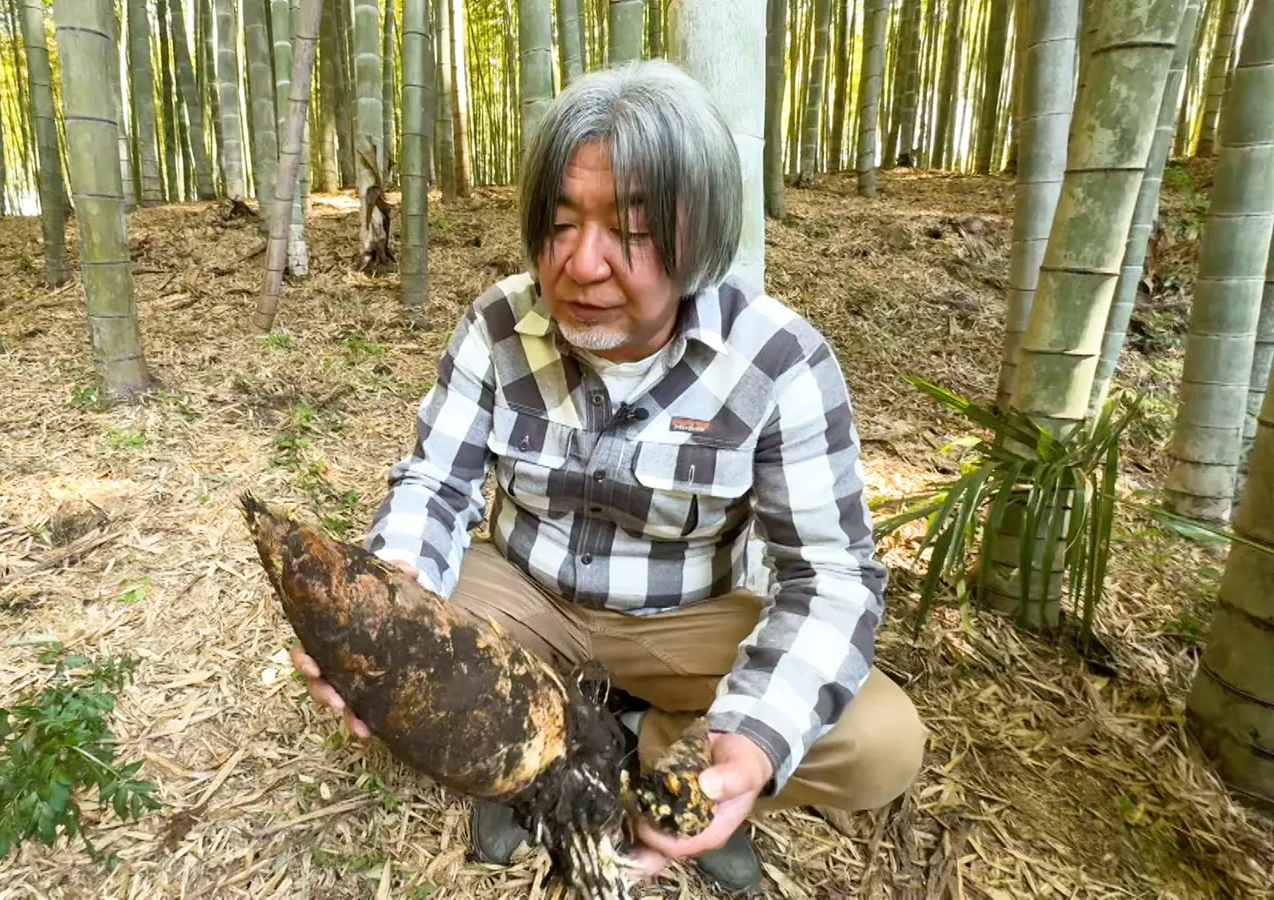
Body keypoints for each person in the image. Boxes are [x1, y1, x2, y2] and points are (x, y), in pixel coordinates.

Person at [292, 60, 926, 894]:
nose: (582, 265)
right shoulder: (499, 327)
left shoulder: (776, 361)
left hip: (689, 617)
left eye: (631, 231)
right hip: (525, 594)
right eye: (558, 225)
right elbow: (436, 488)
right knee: (379, 641)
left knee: (880, 741)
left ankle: (670, 762)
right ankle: (533, 759)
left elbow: (830, 575)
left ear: (702, 235)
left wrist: (751, 735)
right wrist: (392, 590)